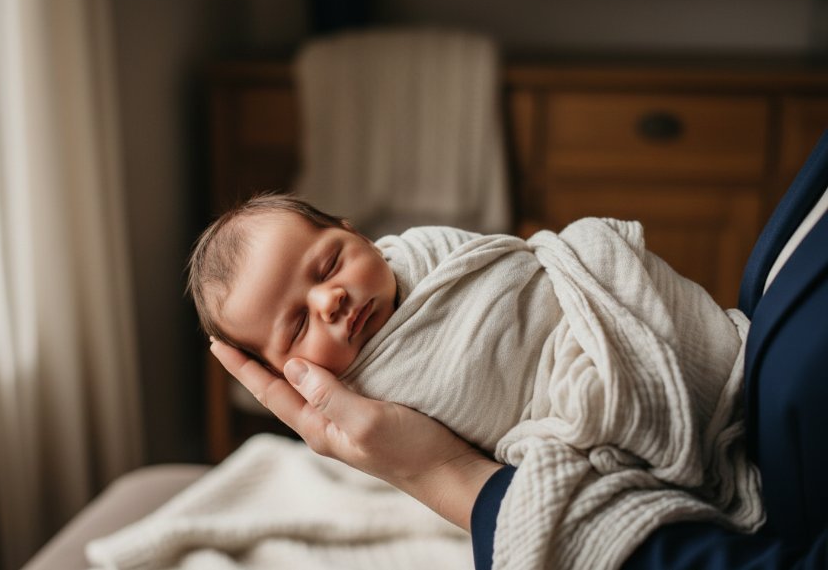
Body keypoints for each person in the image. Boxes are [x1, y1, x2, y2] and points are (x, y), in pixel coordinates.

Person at [210, 130, 828, 569]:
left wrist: (441, 474)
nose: (331, 300)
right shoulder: (367, 392)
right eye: (297, 325)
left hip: (605, 327)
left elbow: (522, 271)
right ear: (288, 372)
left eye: (329, 264)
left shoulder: (419, 252)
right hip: (559, 406)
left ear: (354, 231)